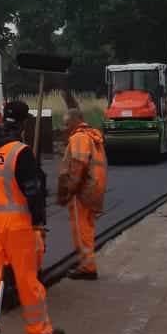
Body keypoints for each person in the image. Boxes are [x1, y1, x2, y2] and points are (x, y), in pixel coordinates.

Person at [0, 99, 65, 334]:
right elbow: (34, 192)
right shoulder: (20, 153)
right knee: (27, 280)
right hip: (17, 225)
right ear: (23, 124)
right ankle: (39, 333)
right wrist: (38, 221)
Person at [58, 107, 109, 279]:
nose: (64, 127)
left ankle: (88, 268)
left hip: (83, 192)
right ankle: (88, 263)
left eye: (66, 123)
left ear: (76, 121)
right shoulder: (93, 136)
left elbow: (78, 165)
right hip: (96, 190)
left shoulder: (79, 137)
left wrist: (70, 190)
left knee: (81, 231)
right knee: (88, 229)